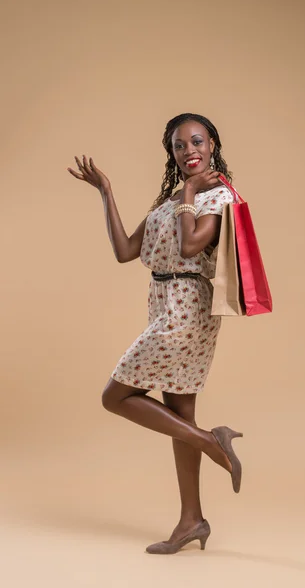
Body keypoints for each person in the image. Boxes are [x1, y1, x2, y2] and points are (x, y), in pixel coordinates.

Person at [67, 113, 243, 554]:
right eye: (179, 146)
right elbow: (126, 250)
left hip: (187, 311)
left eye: (196, 142)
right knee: (179, 418)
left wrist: (189, 191)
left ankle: (210, 441)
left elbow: (190, 247)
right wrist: (106, 192)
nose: (189, 152)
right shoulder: (169, 201)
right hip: (162, 303)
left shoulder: (217, 197)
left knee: (115, 396)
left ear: (213, 144)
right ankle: (191, 520)